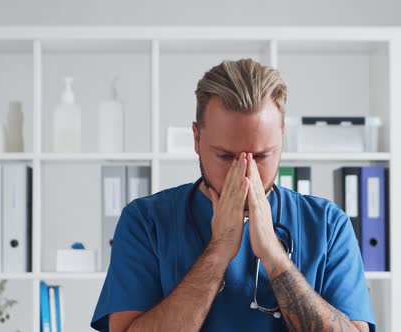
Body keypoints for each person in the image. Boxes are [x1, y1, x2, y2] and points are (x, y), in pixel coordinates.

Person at [91, 58, 375, 331]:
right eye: (226, 156)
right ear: (196, 139)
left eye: (262, 155)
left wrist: (275, 257)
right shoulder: (146, 221)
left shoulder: (327, 224)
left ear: (282, 137)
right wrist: (219, 251)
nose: (245, 174)